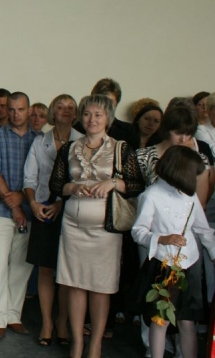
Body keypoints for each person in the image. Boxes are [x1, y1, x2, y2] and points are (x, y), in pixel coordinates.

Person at [49, 94, 144, 358]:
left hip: (105, 230)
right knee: (75, 284)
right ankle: (78, 342)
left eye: (98, 115)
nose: (92, 119)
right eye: (87, 114)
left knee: (101, 287)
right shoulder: (69, 148)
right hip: (73, 226)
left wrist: (113, 183)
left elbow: (137, 185)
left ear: (108, 119)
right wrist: (72, 188)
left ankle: (96, 344)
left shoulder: (120, 149)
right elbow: (55, 185)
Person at [132, 146, 215, 358]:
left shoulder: (190, 196)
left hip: (189, 263)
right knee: (161, 319)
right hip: (163, 264)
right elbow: (138, 231)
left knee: (187, 321)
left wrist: (214, 254)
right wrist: (162, 238)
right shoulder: (151, 195)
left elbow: (203, 230)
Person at [23, 94, 82, 347]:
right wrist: (33, 203)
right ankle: (47, 322)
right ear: (52, 113)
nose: (66, 110)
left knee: (66, 271)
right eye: (60, 106)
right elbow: (29, 178)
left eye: (70, 107)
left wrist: (61, 203)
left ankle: (62, 321)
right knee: (46, 269)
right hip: (44, 210)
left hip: (72, 211)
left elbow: (82, 180)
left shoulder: (83, 141)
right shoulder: (40, 142)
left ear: (76, 114)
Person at [0, 91, 40, 339]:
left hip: (30, 211)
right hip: (1, 210)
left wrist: (23, 199)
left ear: (29, 110)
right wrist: (14, 205)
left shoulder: (39, 140)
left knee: (21, 266)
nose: (16, 114)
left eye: (21, 109)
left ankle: (13, 315)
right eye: (12, 109)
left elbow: (42, 176)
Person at [88, 78, 139, 149]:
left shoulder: (128, 131)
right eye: (102, 100)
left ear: (117, 103)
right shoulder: (80, 127)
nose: (106, 105)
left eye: (110, 101)